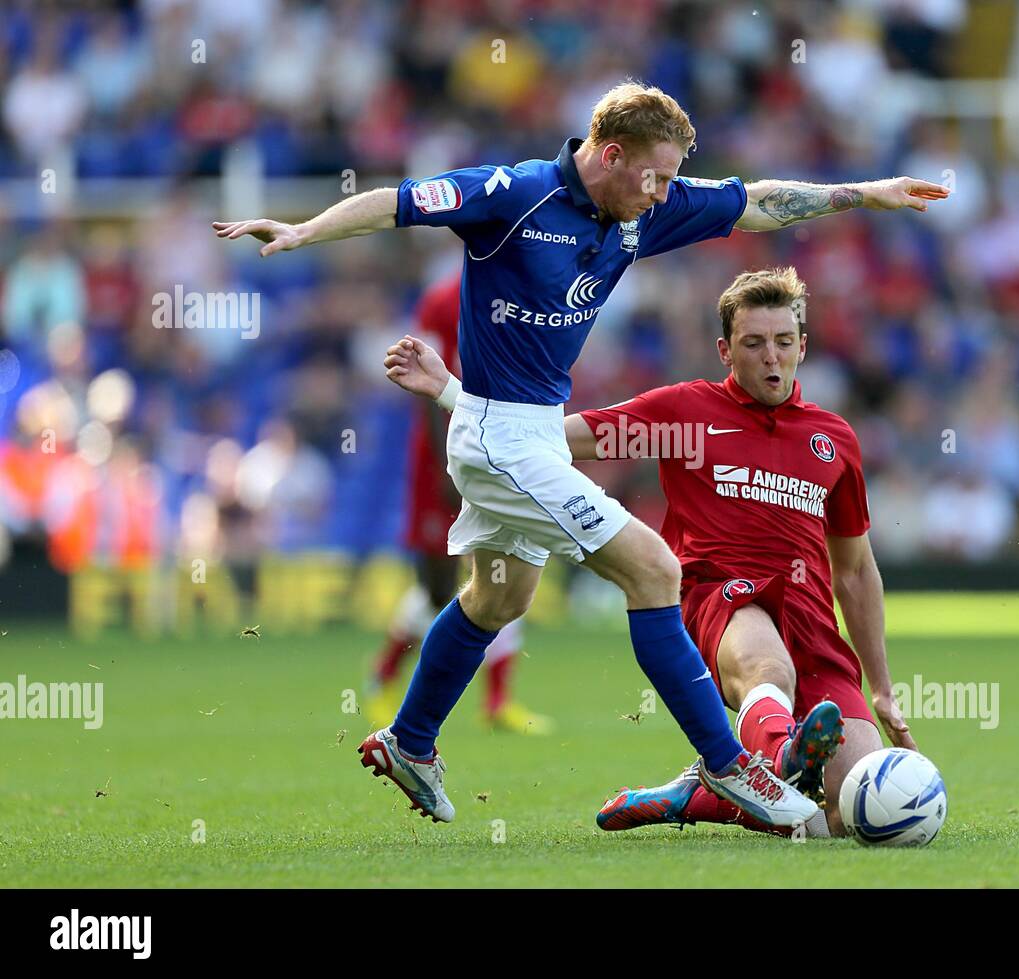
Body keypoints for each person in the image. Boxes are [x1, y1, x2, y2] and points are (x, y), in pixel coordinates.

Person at [214, 81, 945, 830]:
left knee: (499, 598)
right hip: (500, 435)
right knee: (654, 568)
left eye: (671, 177)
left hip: (523, 428)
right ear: (611, 153)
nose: (663, 193)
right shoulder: (514, 194)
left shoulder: (638, 214)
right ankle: (735, 768)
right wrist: (306, 231)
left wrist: (867, 192)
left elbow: (755, 200)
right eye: (655, 175)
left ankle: (409, 740)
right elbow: (398, 201)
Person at [383, 266, 917, 838]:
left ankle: (698, 793)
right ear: (724, 349)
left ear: (802, 348)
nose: (770, 358)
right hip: (725, 600)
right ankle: (776, 760)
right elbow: (541, 442)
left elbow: (856, 573)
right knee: (769, 668)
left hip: (812, 623)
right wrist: (448, 391)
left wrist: (882, 687)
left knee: (844, 818)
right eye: (753, 343)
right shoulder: (684, 417)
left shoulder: (833, 439)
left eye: (783, 343)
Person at [364, 274, 551, 735]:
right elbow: (424, 387)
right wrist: (443, 461)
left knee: (506, 568)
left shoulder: (523, 286)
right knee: (436, 587)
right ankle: (384, 678)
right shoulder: (442, 301)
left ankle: (497, 700)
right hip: (444, 456)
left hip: (505, 447)